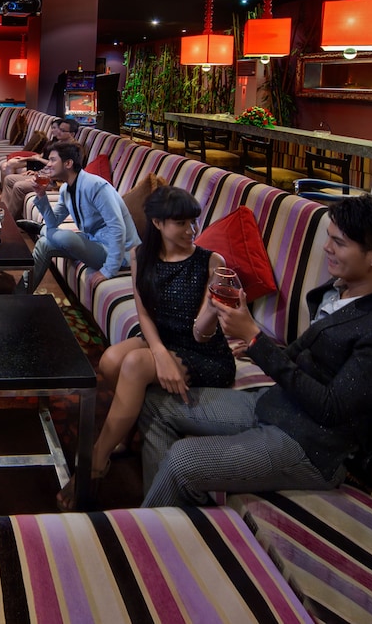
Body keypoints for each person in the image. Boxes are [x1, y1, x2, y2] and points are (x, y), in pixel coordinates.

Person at [138, 194, 372, 508]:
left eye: (338, 243)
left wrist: (255, 339)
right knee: (155, 405)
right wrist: (258, 346)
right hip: (278, 403)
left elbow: (330, 409)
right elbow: (306, 345)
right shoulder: (340, 289)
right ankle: (172, 514)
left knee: (182, 460)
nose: (326, 248)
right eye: (329, 238)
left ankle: (152, 522)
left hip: (312, 446)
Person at [57, 186, 235, 510]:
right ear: (157, 223)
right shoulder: (140, 256)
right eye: (180, 223)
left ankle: (95, 462)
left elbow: (201, 335)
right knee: (110, 360)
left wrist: (211, 310)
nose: (191, 231)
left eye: (193, 222)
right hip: (162, 337)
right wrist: (160, 354)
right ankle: (127, 432)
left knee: (135, 365)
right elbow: (144, 314)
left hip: (202, 352)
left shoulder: (211, 262)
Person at [17, 140, 140, 294]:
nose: (48, 164)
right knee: (44, 243)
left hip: (115, 251)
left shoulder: (96, 186)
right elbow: (53, 223)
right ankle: (19, 294)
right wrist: (41, 195)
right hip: (93, 240)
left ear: (68, 163)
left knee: (67, 237)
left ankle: (41, 229)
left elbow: (117, 228)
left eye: (53, 160)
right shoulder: (66, 189)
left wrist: (109, 270)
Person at [3, 117, 77, 221]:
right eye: (59, 129)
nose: (58, 132)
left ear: (72, 134)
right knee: (9, 179)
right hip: (44, 175)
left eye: (63, 130)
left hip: (55, 182)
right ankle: (4, 212)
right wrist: (37, 172)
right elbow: (49, 164)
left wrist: (40, 178)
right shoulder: (59, 145)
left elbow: (64, 172)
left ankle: (9, 220)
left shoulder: (74, 149)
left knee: (19, 186)